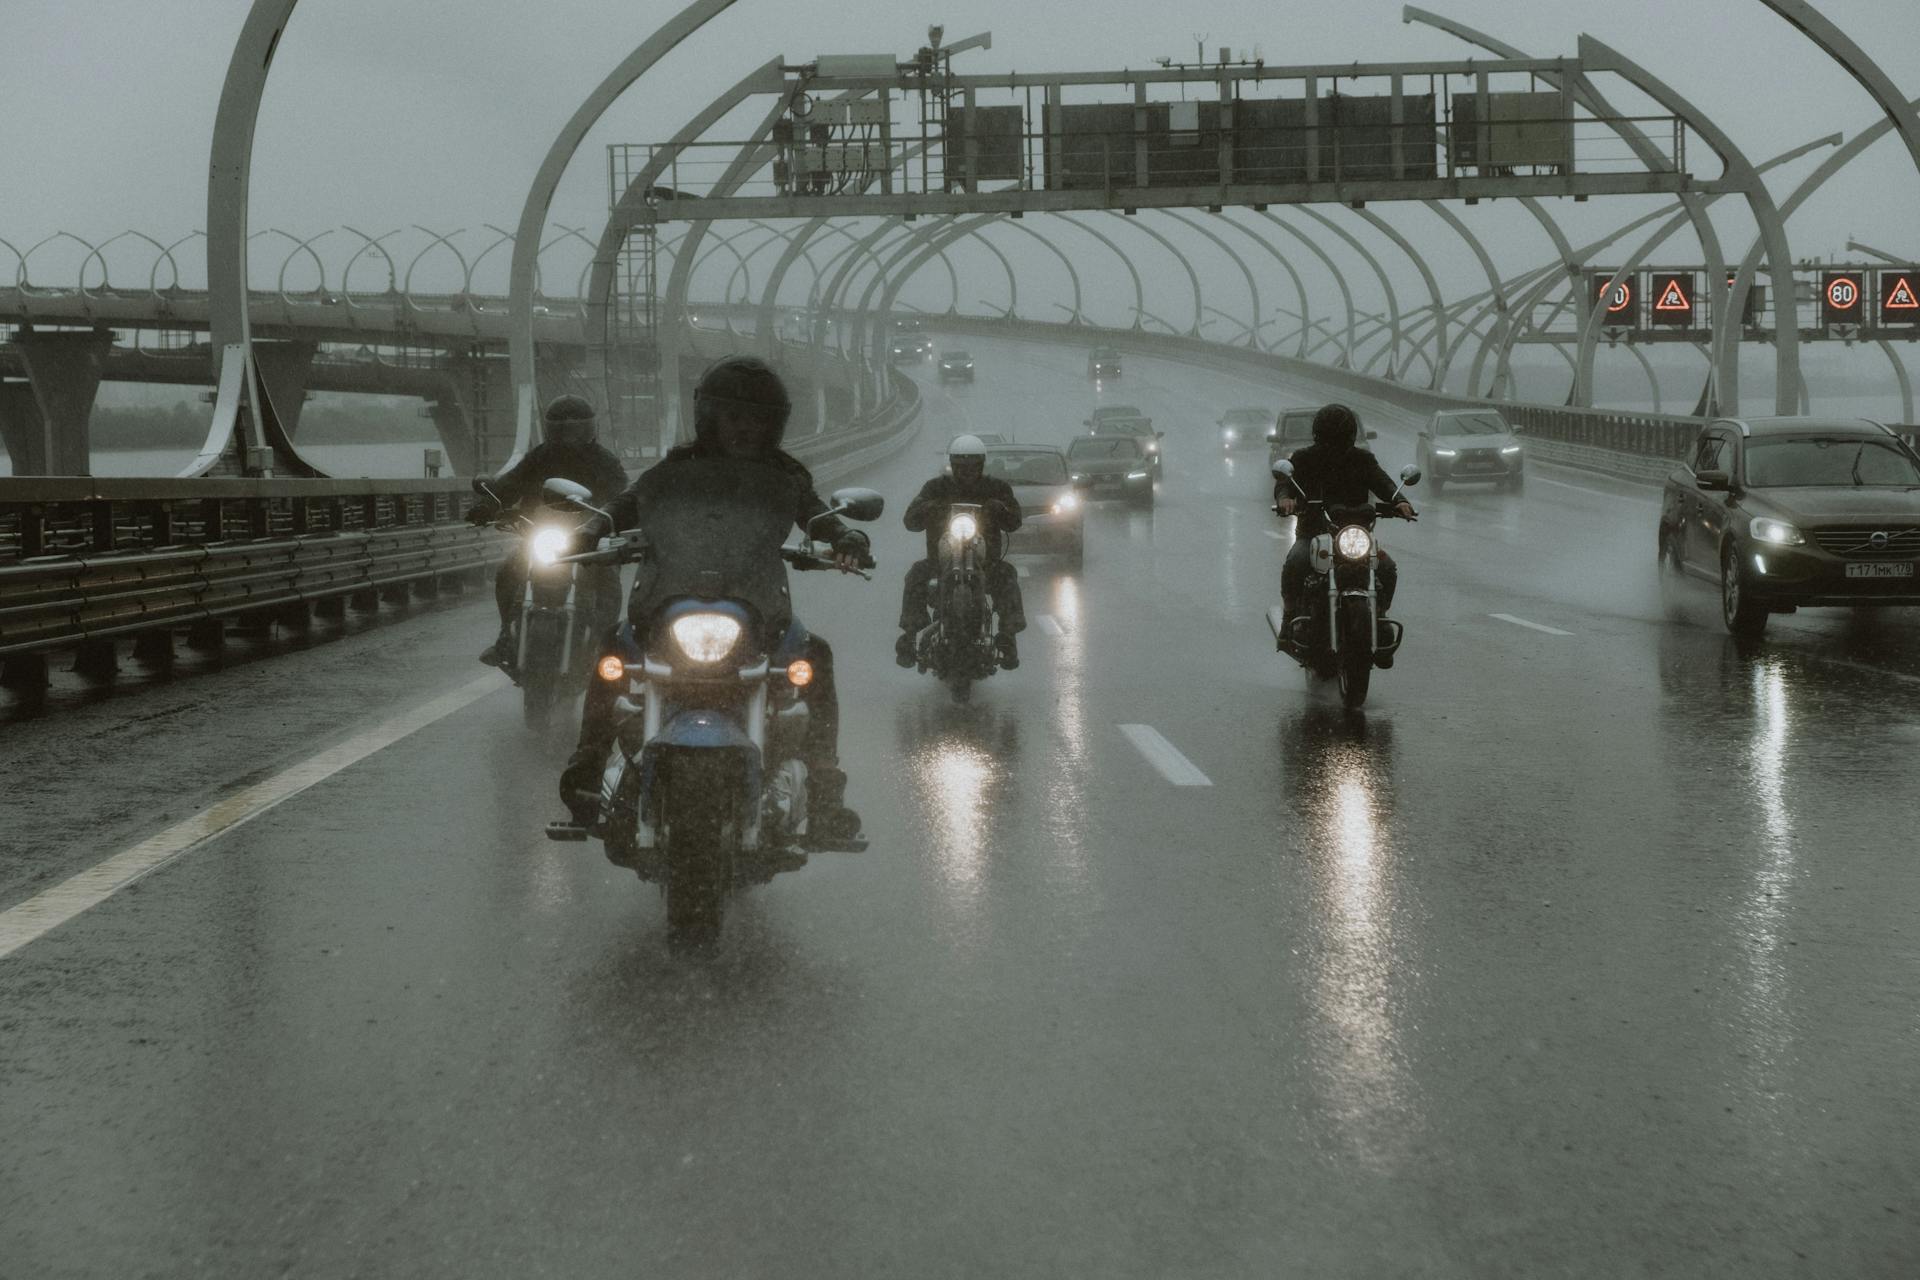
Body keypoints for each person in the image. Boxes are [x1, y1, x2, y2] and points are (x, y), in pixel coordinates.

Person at [558, 356, 871, 842]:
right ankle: (586, 772)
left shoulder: (784, 474)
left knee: (816, 655)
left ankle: (827, 788)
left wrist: (845, 536)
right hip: (674, 598)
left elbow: (813, 513)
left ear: (773, 425)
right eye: (734, 418)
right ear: (710, 418)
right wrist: (592, 527)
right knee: (613, 648)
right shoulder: (678, 467)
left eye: (756, 420)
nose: (745, 429)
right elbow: (634, 500)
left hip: (756, 605)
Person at [467, 394, 628, 668]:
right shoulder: (539, 457)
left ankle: (604, 647)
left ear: (589, 428)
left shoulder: (604, 461)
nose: (569, 436)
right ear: (551, 430)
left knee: (609, 582)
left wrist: (615, 521)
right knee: (507, 573)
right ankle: (506, 636)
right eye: (562, 429)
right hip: (541, 535)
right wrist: (487, 504)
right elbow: (510, 483)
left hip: (586, 541)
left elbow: (621, 496)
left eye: (576, 428)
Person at [1275, 403, 1415, 664]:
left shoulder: (1362, 459)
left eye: (1339, 436)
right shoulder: (1304, 459)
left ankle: (1380, 617)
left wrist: (1399, 501)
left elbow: (1382, 481)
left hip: (1354, 535)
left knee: (1386, 567)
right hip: (1314, 534)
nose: (1335, 443)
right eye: (1331, 436)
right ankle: (1289, 620)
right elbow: (1285, 485)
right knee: (1296, 561)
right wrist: (1286, 499)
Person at [896, 434, 1027, 670]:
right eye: (961, 466)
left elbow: (1015, 521)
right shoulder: (935, 487)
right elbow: (910, 521)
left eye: (972, 466)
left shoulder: (997, 488)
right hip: (940, 561)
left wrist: (1000, 509)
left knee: (1007, 576)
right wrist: (928, 508)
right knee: (916, 574)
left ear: (982, 465)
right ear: (953, 465)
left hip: (986, 562)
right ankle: (909, 636)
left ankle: (1008, 637)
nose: (967, 471)